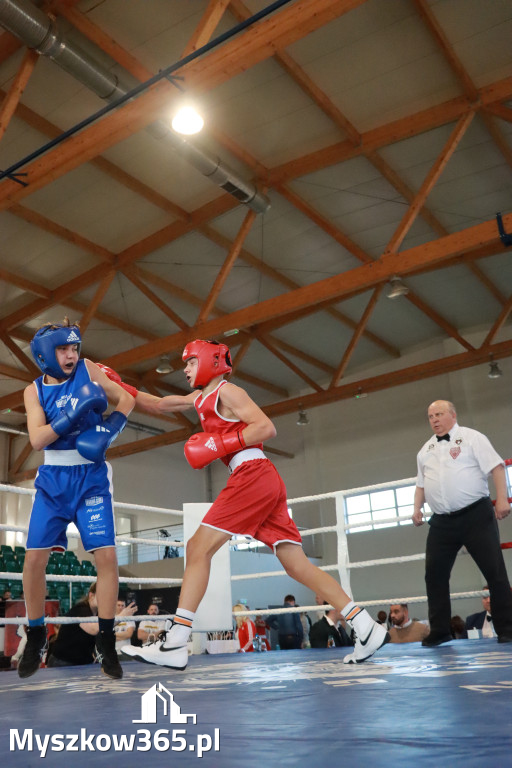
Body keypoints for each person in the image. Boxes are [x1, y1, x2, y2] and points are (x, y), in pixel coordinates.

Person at [120, 339, 389, 668]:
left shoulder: (228, 392)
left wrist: (218, 443)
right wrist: (113, 385)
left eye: (190, 362)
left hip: (252, 473)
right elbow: (160, 405)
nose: (185, 369)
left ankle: (176, 640)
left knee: (197, 547)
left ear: (207, 361)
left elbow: (266, 427)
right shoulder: (200, 397)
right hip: (258, 478)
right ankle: (365, 625)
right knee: (296, 565)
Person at [18, 319, 135, 679]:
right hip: (53, 479)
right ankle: (36, 633)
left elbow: (126, 399)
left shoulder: (88, 369)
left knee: (108, 557)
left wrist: (107, 429)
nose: (71, 355)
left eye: (74, 348)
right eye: (63, 349)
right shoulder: (33, 391)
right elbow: (38, 440)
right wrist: (72, 415)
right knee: (34, 561)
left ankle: (106, 641)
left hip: (91, 477)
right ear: (44, 355)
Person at [413, 399, 512, 647]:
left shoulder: (472, 438)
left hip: (475, 515)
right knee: (434, 574)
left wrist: (502, 499)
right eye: (430, 416)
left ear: (453, 415)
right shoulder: (424, 450)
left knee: (494, 571)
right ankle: (440, 630)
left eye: (439, 414)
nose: (434, 419)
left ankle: (507, 628)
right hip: (442, 522)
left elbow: (497, 468)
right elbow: (421, 483)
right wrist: (416, 508)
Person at [47, 583, 138, 668]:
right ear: (91, 595)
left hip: (81, 662)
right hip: (62, 662)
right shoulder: (80, 609)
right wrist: (121, 616)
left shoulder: (99, 613)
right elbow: (94, 629)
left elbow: (104, 630)